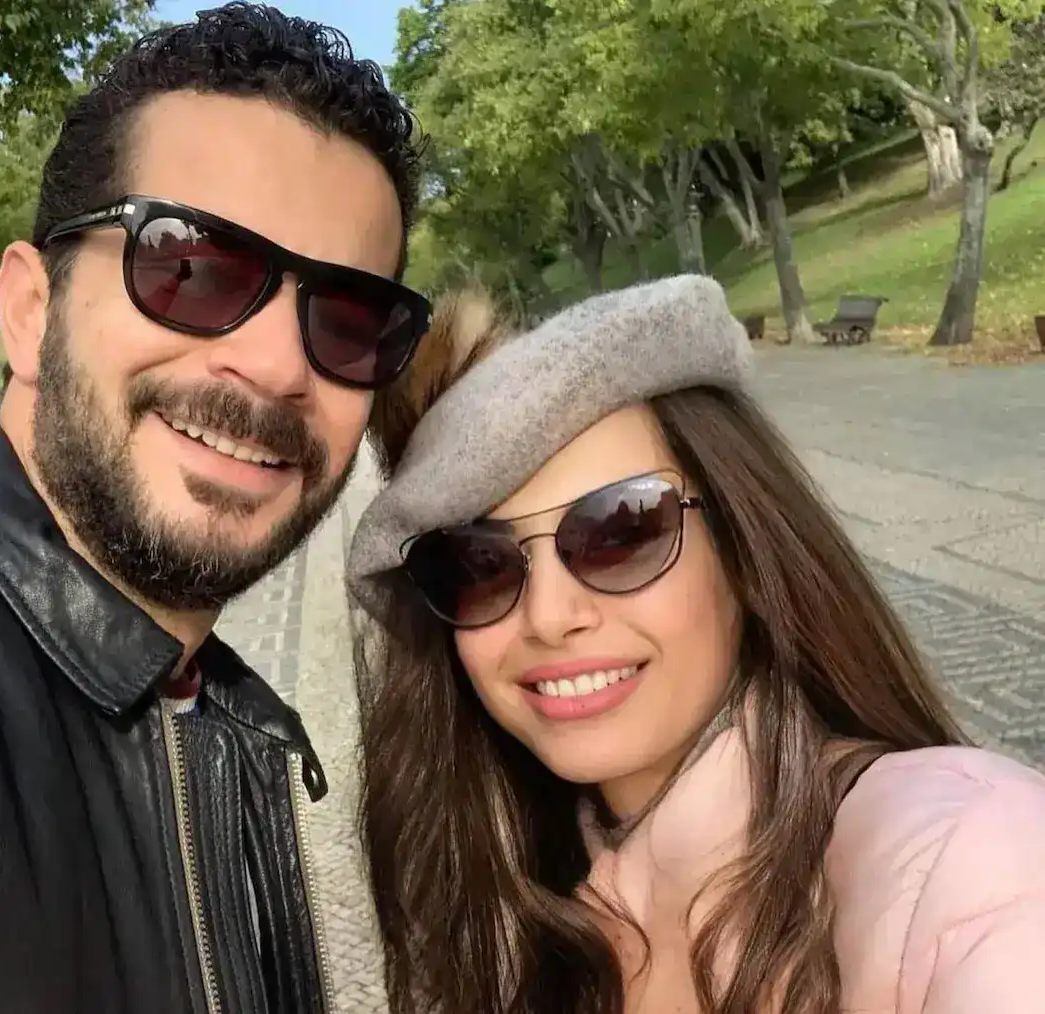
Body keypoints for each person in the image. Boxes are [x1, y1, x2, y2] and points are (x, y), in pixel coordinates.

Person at [0, 5, 431, 1012]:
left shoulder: (212, 708)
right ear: (30, 311)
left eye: (347, 319)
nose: (278, 367)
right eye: (192, 270)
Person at [346, 277, 1045, 1014]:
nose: (549, 617)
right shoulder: (508, 908)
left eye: (621, 531)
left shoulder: (958, 860)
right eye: (478, 565)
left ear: (742, 549)